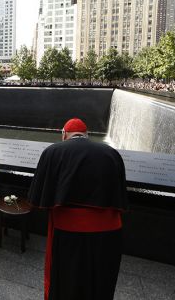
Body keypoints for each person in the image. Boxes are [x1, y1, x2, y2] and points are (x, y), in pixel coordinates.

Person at [29, 118, 128, 300]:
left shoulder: (53, 152)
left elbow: (37, 197)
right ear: (87, 134)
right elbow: (120, 197)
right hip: (109, 232)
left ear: (64, 134)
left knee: (69, 280)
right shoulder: (112, 153)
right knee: (101, 279)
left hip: (69, 230)